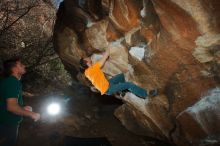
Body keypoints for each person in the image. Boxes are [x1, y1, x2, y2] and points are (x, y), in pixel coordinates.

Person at [79, 48, 158, 99]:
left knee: (121, 76)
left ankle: (122, 91)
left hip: (107, 84)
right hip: (108, 89)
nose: (88, 57)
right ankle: (146, 94)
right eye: (86, 58)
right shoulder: (92, 69)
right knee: (129, 84)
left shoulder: (87, 72)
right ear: (87, 62)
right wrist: (108, 48)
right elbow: (104, 58)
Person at [0, 57, 40, 146]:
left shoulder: (8, 82)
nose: (24, 66)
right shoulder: (12, 82)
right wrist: (31, 114)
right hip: (6, 126)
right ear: (14, 68)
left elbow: (6, 103)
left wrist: (23, 109)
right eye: (21, 65)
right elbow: (11, 107)